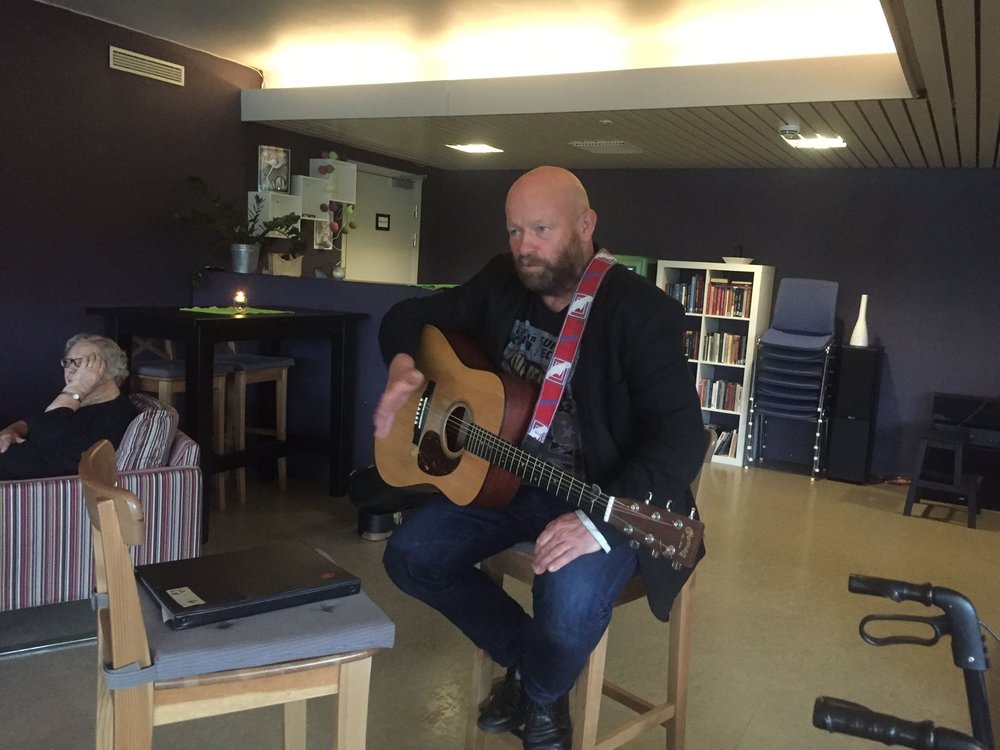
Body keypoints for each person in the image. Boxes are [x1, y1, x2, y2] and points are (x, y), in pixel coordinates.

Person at [373, 166, 705, 750]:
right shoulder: (502, 282)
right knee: (410, 555)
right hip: (511, 481)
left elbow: (679, 438)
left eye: (542, 230)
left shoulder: (641, 313)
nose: (525, 248)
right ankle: (540, 680)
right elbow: (411, 316)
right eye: (515, 231)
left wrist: (596, 523)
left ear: (586, 225)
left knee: (568, 594)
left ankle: (537, 693)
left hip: (604, 498)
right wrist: (405, 363)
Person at [0, 334, 137, 480]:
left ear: (111, 370)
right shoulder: (76, 404)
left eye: (81, 363)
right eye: (68, 362)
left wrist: (77, 389)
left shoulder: (115, 415)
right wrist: (11, 430)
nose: (70, 369)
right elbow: (32, 423)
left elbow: (43, 434)